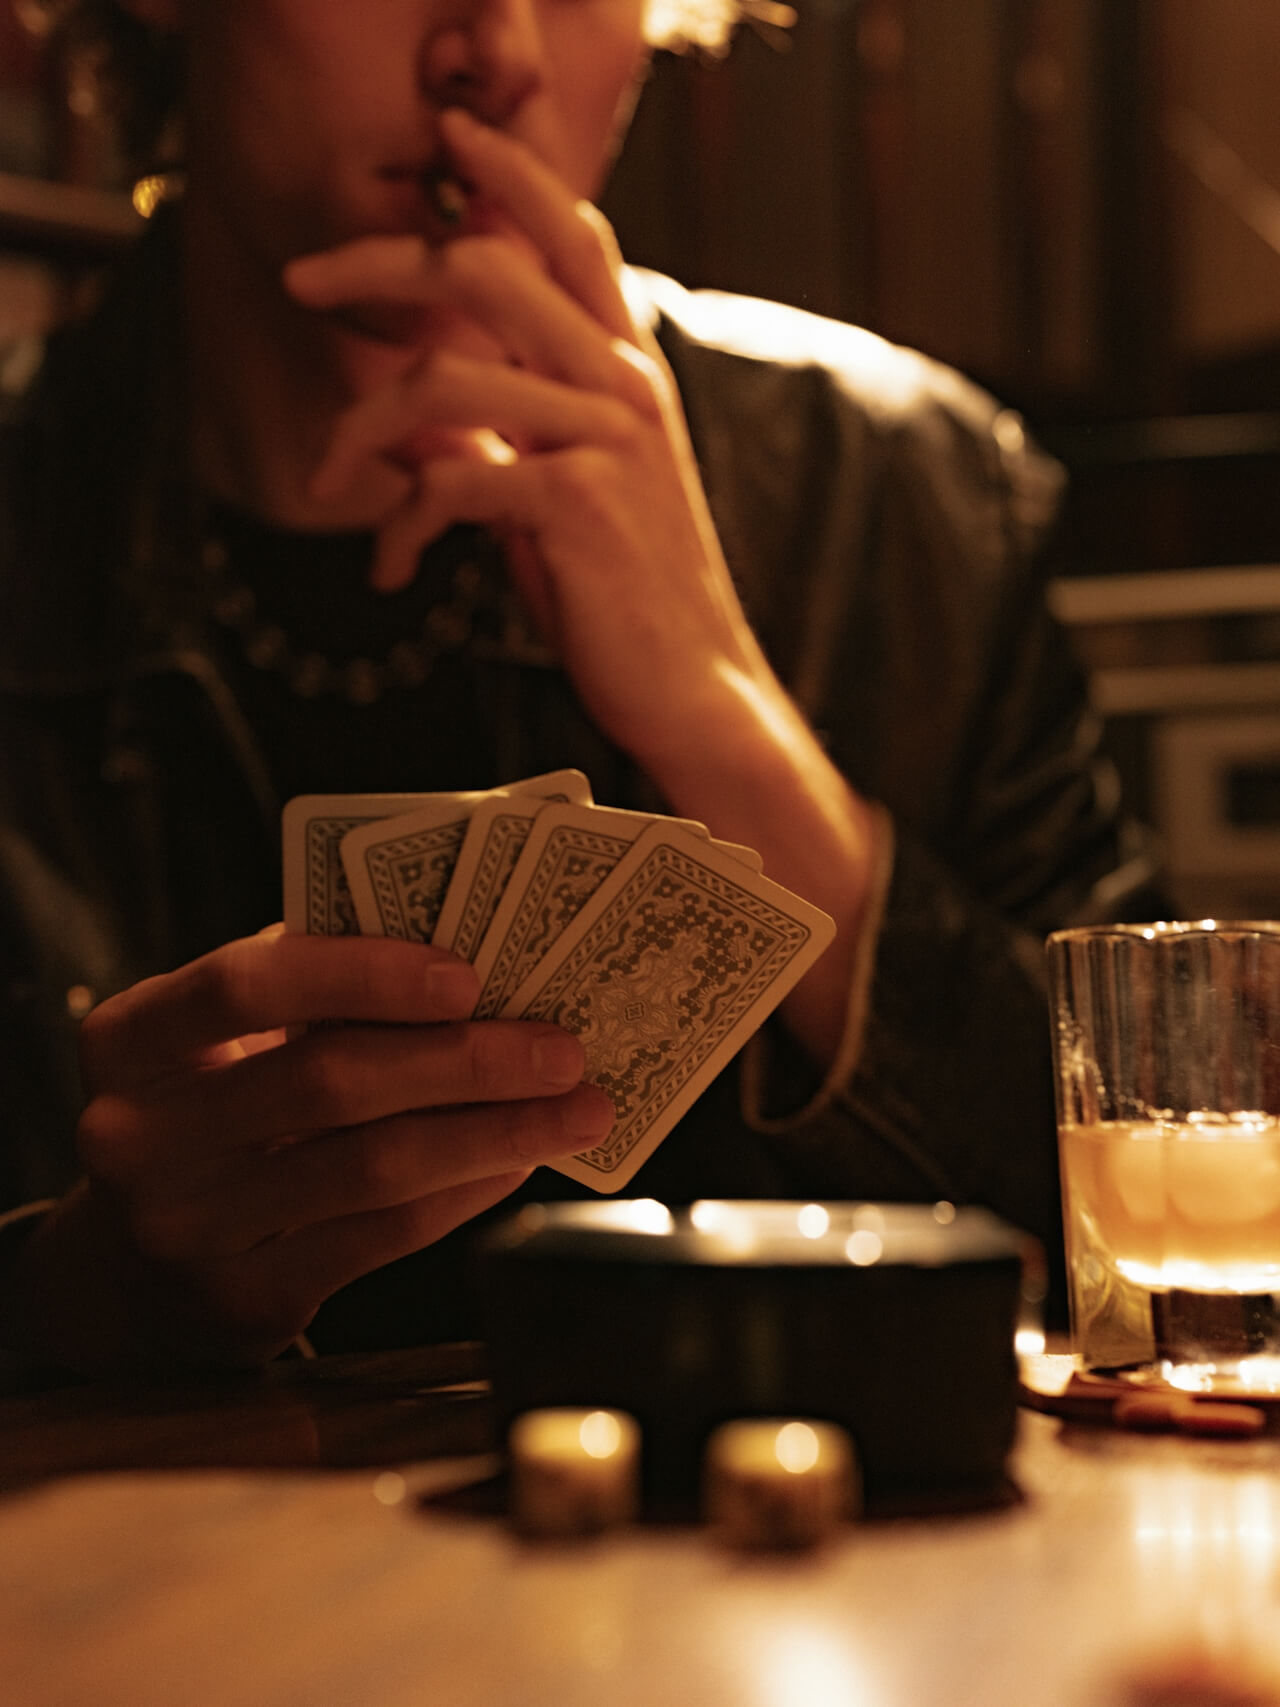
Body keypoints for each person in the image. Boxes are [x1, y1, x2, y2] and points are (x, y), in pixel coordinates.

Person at [0, 0, 1159, 1382]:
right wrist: (81, 1300)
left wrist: (721, 708)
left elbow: (1168, 1221)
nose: (502, 52)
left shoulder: (905, 488)